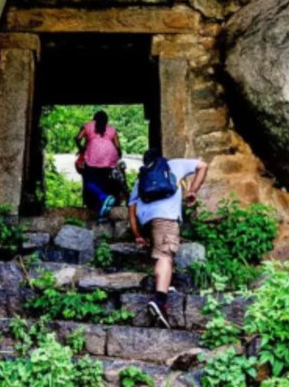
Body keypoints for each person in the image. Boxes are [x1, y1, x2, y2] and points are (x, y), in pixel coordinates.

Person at [128, 149, 208, 328]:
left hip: (147, 222)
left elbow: (131, 210)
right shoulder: (174, 165)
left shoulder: (141, 179)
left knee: (161, 254)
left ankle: (165, 283)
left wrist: (138, 235)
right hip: (166, 219)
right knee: (165, 255)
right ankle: (159, 299)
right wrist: (192, 191)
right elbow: (203, 166)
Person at [75, 110, 122, 219]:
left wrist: (81, 148)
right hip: (109, 156)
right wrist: (116, 157)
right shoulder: (111, 129)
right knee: (104, 182)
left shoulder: (88, 125)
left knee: (89, 182)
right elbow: (118, 146)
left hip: (93, 156)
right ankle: (103, 209)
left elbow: (78, 138)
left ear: (94, 118)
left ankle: (102, 197)